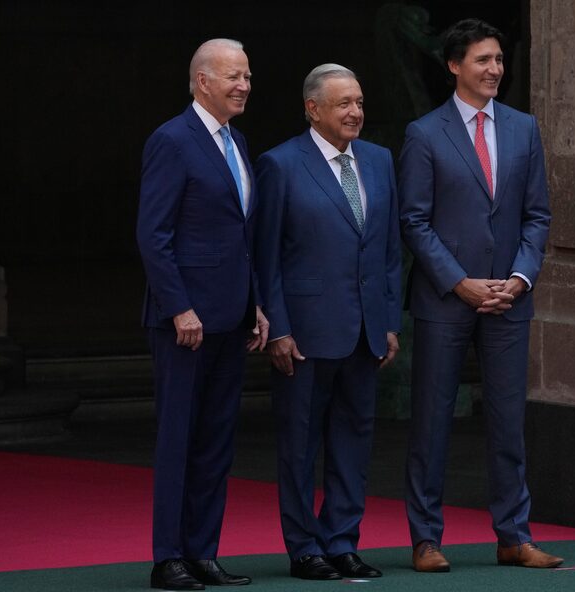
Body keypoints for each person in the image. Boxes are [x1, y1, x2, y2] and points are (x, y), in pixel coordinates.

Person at [399, 19, 561, 572]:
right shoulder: (424, 134)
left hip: (509, 299)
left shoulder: (523, 128)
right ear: (453, 66)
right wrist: (460, 282)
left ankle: (514, 535)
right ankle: (426, 539)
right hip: (447, 300)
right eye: (482, 60)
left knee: (508, 420)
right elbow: (415, 222)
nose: (495, 69)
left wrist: (519, 278)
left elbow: (537, 216)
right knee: (432, 420)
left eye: (498, 59)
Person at [255, 64, 401, 581]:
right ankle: (304, 547)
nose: (355, 112)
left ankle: (342, 540)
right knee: (299, 442)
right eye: (343, 104)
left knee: (354, 440)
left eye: (359, 102)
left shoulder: (380, 161)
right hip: (305, 333)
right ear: (312, 109)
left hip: (365, 331)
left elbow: (387, 251)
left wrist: (388, 319)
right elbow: (266, 256)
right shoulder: (280, 164)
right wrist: (278, 328)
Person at [136, 38, 268, 590]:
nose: (243, 85)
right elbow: (153, 234)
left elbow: (241, 236)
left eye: (247, 76)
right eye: (233, 76)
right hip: (184, 323)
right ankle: (168, 557)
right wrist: (179, 308)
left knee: (216, 440)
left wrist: (255, 303)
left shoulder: (236, 140)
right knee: (179, 437)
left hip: (232, 317)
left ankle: (203, 552)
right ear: (201, 82)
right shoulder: (172, 140)